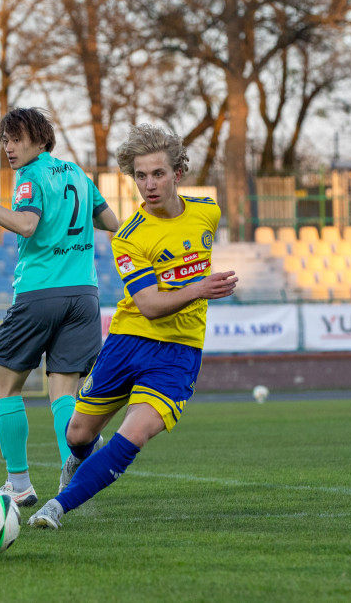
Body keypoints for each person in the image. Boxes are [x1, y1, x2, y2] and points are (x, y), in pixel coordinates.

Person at [27, 124, 238, 529]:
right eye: (140, 176)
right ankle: (79, 456)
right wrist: (199, 289)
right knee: (77, 434)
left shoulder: (207, 212)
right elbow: (149, 305)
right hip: (128, 341)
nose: (148, 185)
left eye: (157, 174)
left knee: (134, 435)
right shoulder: (128, 236)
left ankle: (57, 507)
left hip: (178, 353)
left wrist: (197, 290)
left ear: (178, 174)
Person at [0, 107, 119, 507]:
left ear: (42, 140)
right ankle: (74, 484)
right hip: (84, 295)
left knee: (4, 387)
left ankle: (19, 484)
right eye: (6, 141)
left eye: (16, 139)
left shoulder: (30, 178)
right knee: (64, 390)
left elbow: (27, 225)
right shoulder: (80, 176)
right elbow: (113, 222)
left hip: (39, 293)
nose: (9, 149)